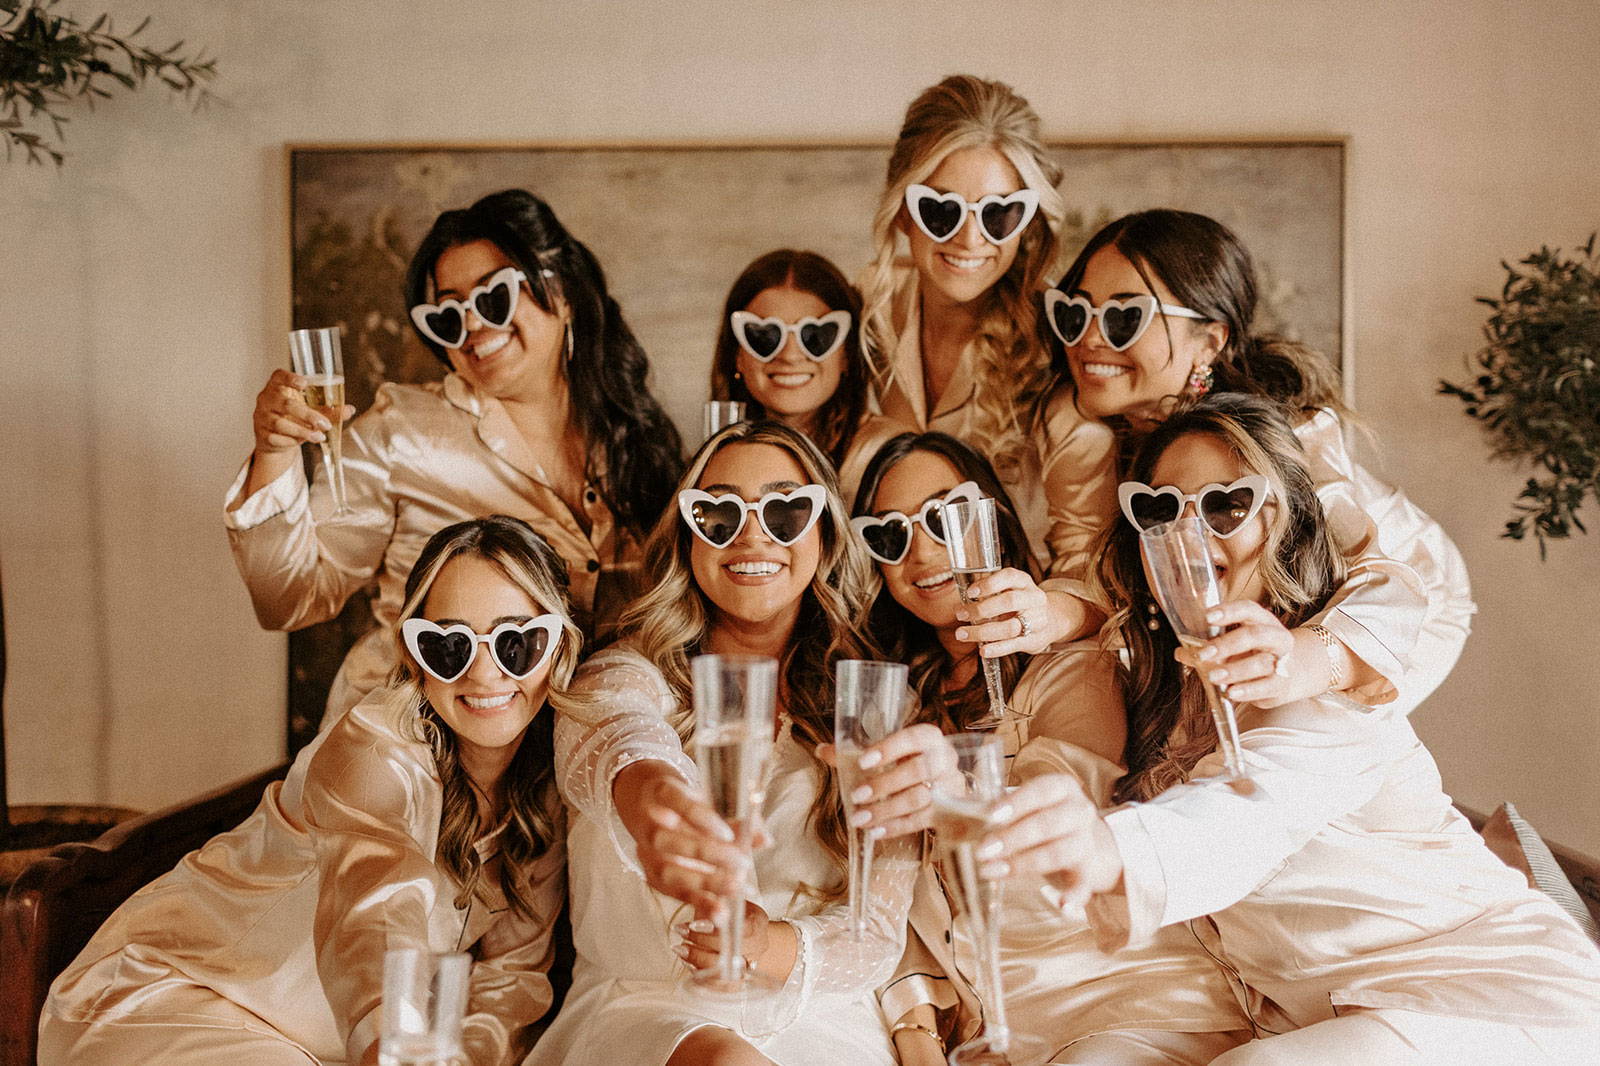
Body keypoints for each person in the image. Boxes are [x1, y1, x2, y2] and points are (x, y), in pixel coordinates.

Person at [977, 395, 1600, 1064]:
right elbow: (1112, 602)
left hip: (1480, 987)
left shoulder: (1325, 682)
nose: (1189, 536)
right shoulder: (1164, 682)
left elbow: (1249, 816)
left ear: (1286, 518)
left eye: (1223, 506)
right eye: (1160, 512)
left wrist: (1107, 850)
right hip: (1314, 1014)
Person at [41, 516, 580, 1065]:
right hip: (177, 998)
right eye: (449, 647)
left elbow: (510, 984)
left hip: (330, 1048)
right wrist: (395, 1041)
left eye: (517, 643)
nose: (484, 674)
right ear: (416, 658)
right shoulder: (374, 748)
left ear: (559, 646)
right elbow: (375, 900)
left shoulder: (542, 795)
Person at [843, 433, 1249, 1066]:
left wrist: (949, 790)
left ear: (993, 522)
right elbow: (889, 900)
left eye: (945, 518)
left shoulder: (1068, 665)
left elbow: (1062, 799)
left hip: (1122, 1004)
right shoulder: (890, 705)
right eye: (890, 536)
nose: (922, 549)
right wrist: (916, 1032)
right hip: (990, 1032)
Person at [528, 421, 915, 1066]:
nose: (752, 533)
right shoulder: (619, 677)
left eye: (786, 509)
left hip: (820, 1014)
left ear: (824, 533)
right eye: (718, 512)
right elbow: (623, 744)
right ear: (688, 537)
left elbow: (878, 932)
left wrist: (767, 946)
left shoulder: (874, 707)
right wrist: (658, 808)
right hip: (647, 1012)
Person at [226, 188, 684, 723]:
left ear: (561, 294)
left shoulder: (635, 434)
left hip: (568, 754)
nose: (472, 326)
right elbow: (290, 598)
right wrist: (274, 453)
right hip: (410, 745)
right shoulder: (397, 435)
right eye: (447, 316)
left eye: (494, 298)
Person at [1035, 208, 1470, 715]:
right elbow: (1108, 573)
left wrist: (1307, 660)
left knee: (1301, 738)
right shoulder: (1092, 426)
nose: (1088, 339)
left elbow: (1381, 579)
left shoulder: (1285, 434)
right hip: (1287, 611)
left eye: (1125, 317)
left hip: (1406, 601)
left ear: (1210, 341)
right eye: (1075, 313)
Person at [857, 74, 1118, 656]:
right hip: (891, 649)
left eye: (999, 214)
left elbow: (1095, 563)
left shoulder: (1068, 345)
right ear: (903, 211)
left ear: (1028, 223)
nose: (971, 238)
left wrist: (1040, 618)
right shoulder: (860, 320)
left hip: (1029, 657)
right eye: (940, 210)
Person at [708, 249, 902, 501]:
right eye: (765, 336)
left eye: (815, 336)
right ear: (737, 356)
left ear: (846, 355)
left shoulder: (889, 454)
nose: (790, 355)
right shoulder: (712, 459)